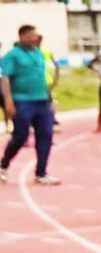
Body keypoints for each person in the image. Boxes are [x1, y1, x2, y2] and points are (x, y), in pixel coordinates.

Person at [0, 25, 60, 185]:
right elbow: (4, 79)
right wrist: (8, 101)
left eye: (36, 36)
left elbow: (42, 79)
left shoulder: (39, 54)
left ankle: (41, 173)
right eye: (31, 36)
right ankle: (4, 164)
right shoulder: (12, 56)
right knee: (20, 136)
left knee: (46, 135)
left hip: (41, 101)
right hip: (22, 101)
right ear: (22, 36)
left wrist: (49, 99)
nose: (35, 38)